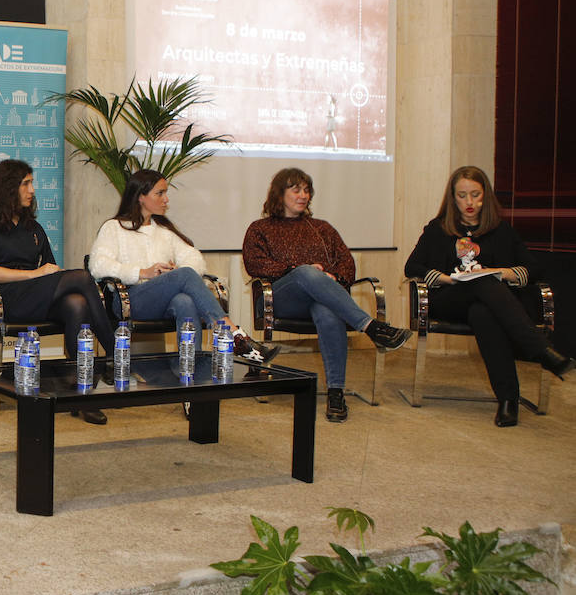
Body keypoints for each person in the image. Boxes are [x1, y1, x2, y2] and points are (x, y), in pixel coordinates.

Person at [403, 165, 573, 427]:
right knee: (480, 284)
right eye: (462, 196)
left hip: (489, 305)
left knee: (483, 312)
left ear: (486, 196)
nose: (469, 202)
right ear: (452, 197)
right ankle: (541, 350)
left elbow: (534, 267)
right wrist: (448, 278)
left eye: (475, 195)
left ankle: (508, 401)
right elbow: (412, 267)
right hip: (451, 299)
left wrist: (503, 273)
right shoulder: (438, 229)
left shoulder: (501, 230)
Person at [242, 167, 412, 423]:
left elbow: (347, 265)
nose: (303, 195)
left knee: (327, 312)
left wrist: (331, 278)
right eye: (296, 189)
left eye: (307, 190)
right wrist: (298, 271)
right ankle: (372, 327)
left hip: (320, 300)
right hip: (281, 299)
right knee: (305, 273)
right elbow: (255, 265)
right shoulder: (260, 228)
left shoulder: (322, 228)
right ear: (279, 193)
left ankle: (335, 392)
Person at [0, 159, 115, 425]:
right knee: (82, 278)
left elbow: (50, 268)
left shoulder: (33, 228)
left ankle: (83, 391)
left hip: (36, 297)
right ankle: (115, 354)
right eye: (26, 183)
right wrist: (35, 274)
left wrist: (46, 274)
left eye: (31, 183)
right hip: (7, 299)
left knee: (76, 303)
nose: (32, 190)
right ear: (7, 188)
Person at [88, 168, 278, 363]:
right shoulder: (115, 227)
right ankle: (231, 333)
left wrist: (174, 275)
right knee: (184, 276)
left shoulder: (163, 230)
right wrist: (142, 272)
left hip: (162, 301)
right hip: (129, 299)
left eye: (165, 193)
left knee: (184, 301)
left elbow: (194, 258)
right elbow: (98, 265)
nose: (166, 199)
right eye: (160, 193)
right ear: (140, 197)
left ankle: (189, 369)